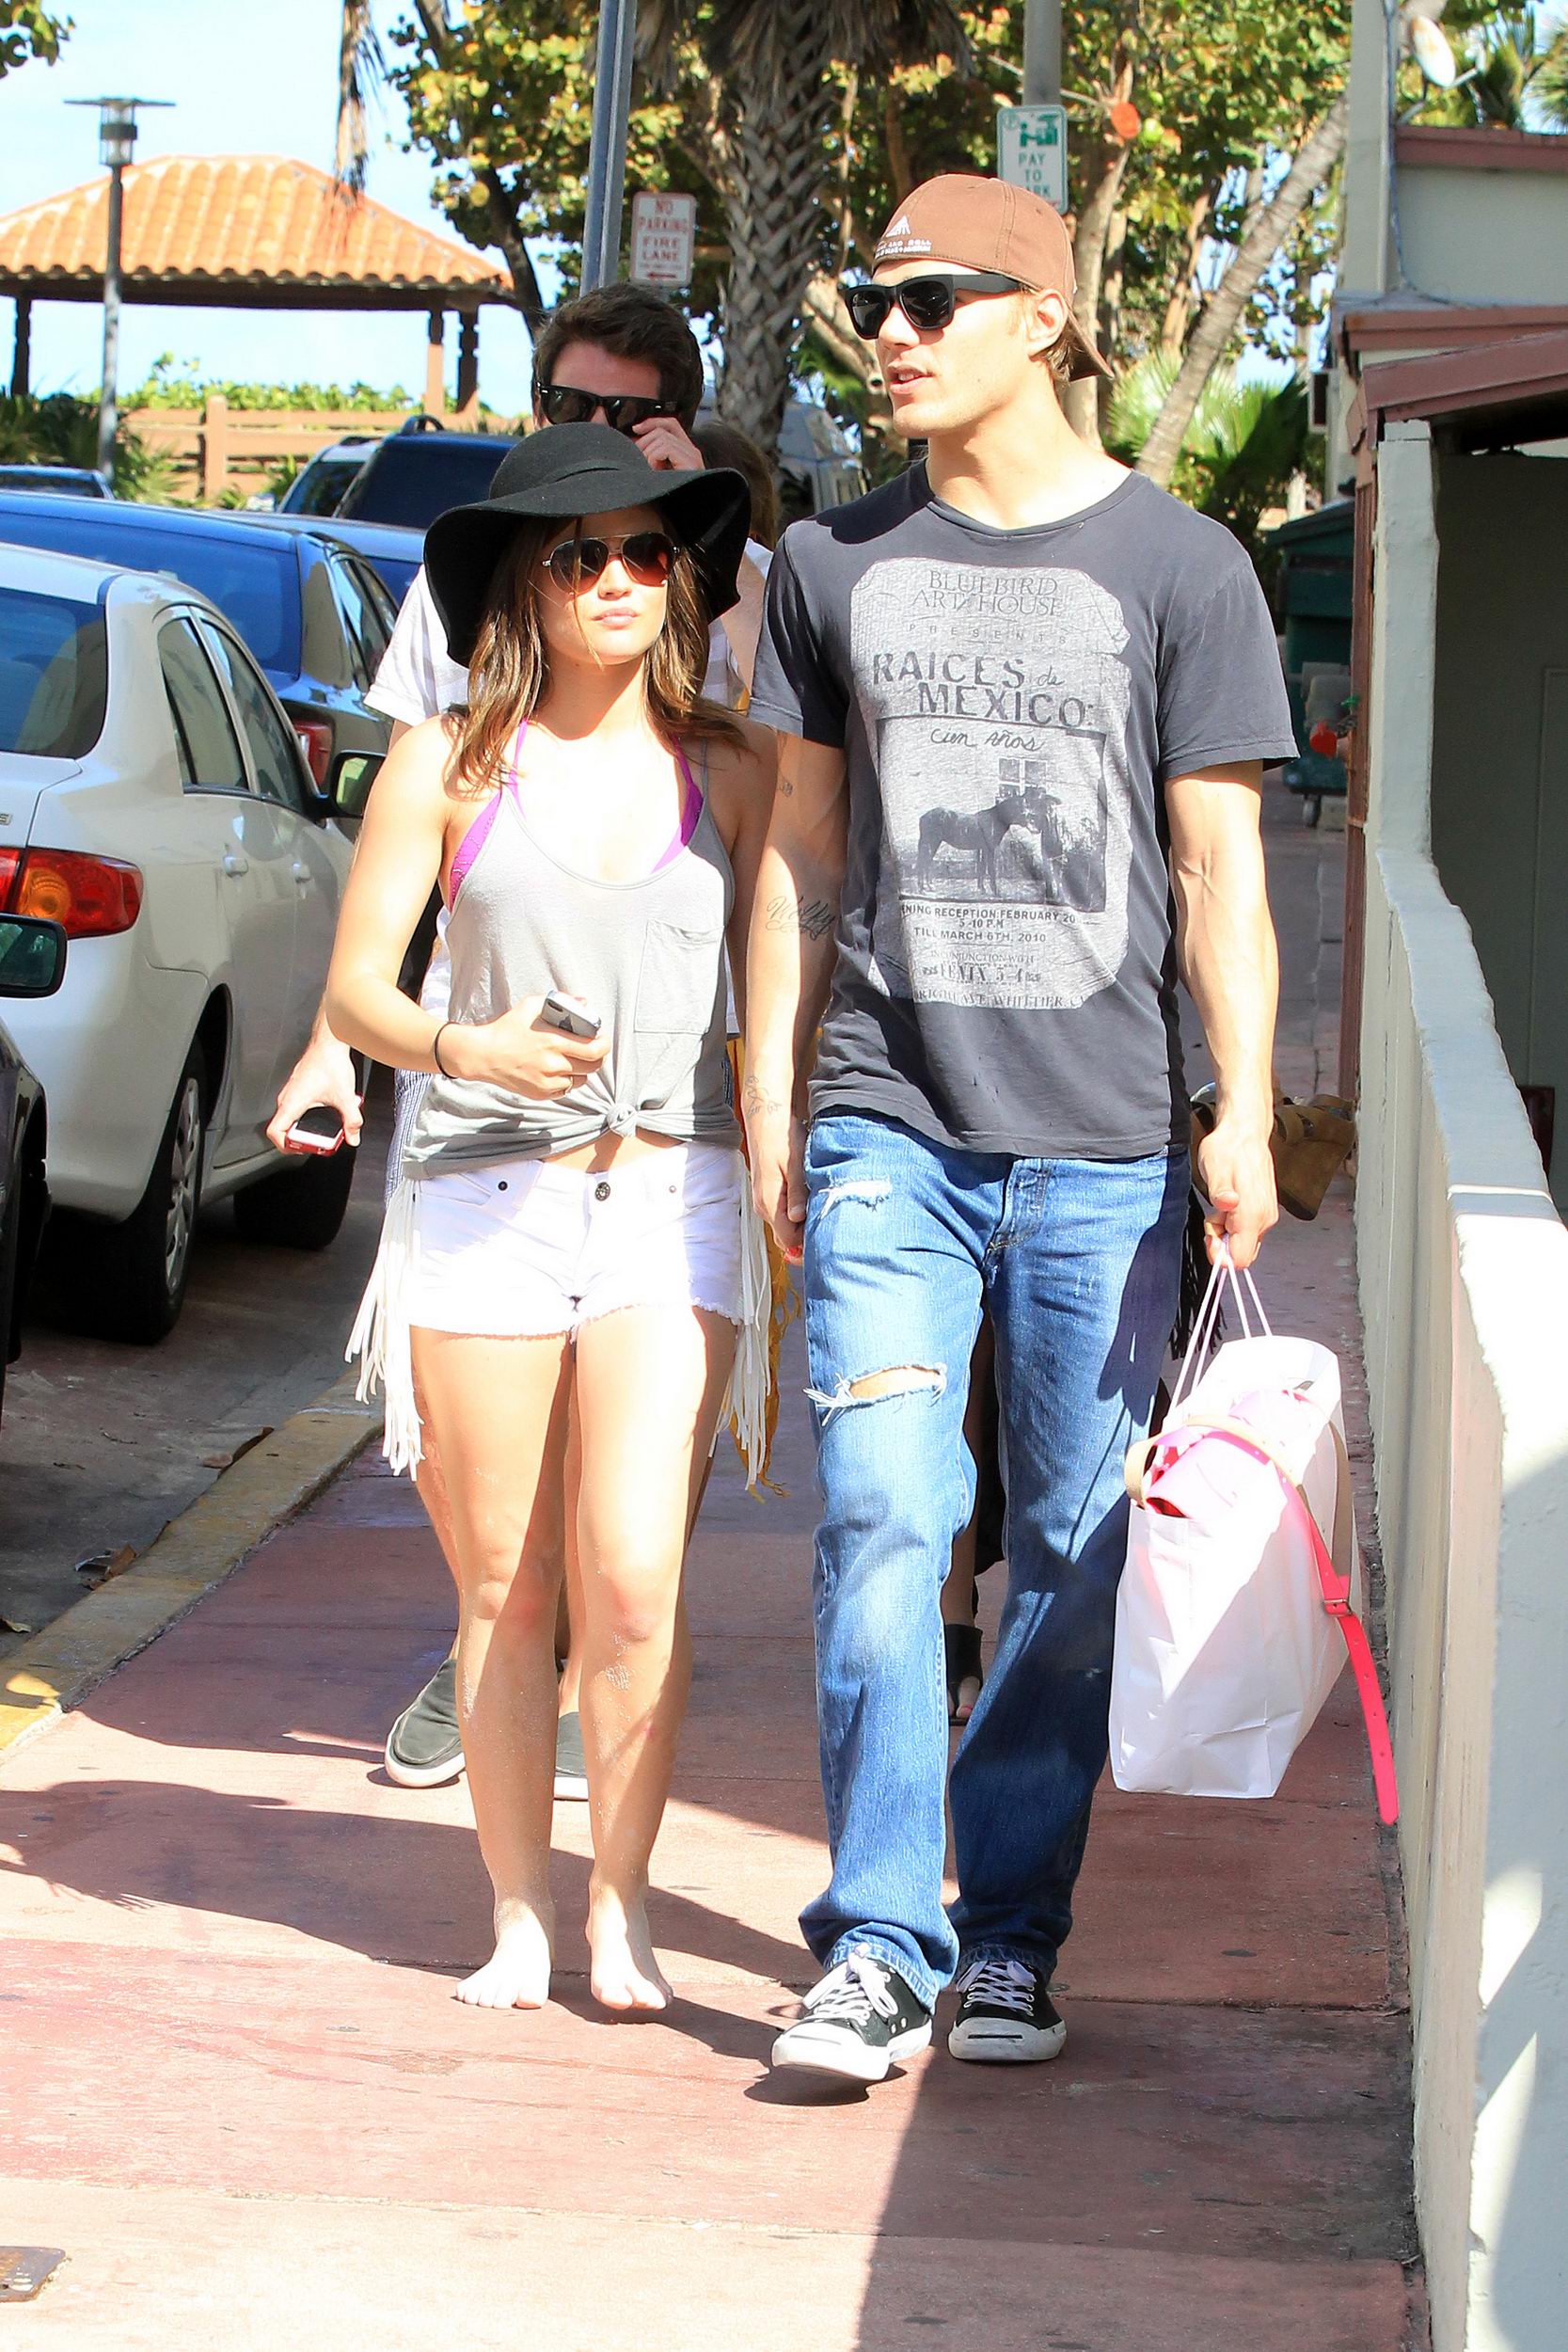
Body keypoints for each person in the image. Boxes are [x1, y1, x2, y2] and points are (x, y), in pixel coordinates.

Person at [743, 173, 1296, 2083]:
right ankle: (880, 1938)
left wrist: (1239, 1111)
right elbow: (797, 858)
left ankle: (1013, 1930)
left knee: (1066, 1546)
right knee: (891, 1515)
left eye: (932, 297)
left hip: (1107, 1150)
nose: (891, 330)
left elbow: (1221, 865)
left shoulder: (1184, 567)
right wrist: (770, 1095)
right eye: (872, 299)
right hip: (888, 1120)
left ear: (1043, 316)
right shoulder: (828, 561)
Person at [268, 284, 760, 1798]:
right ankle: (497, 1653)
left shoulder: (707, 591)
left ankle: (579, 1688)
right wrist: (336, 1043)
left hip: (673, 1130)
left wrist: (685, 535)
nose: (591, 442)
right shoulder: (472, 577)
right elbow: (424, 852)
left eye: (627, 421)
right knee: (506, 1527)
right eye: (569, 407)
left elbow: (764, 791)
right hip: (488, 1125)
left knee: (629, 1532)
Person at [325, 423, 771, 2012]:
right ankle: (519, 1908)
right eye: (582, 557)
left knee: (636, 1576)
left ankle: (623, 1903)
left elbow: (785, 968)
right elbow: (356, 992)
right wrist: (467, 1046)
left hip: (671, 1190)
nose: (617, 583)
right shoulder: (446, 766)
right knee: (506, 1584)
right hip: (482, 1194)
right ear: (526, 580)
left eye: (650, 554)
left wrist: (783, 1132)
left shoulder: (728, 765)